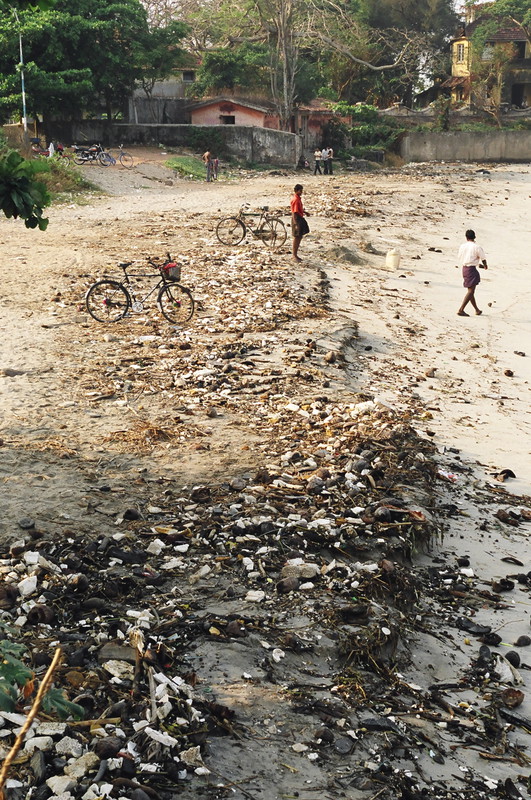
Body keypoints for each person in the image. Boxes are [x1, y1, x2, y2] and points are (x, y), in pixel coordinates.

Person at [456, 229, 488, 316]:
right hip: (471, 269)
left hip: (464, 268)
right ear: (474, 237)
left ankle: (477, 310)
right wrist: (485, 265)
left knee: (470, 290)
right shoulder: (477, 247)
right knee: (471, 291)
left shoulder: (462, 246)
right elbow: (483, 258)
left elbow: (459, 256)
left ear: (466, 237)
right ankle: (461, 309)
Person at [291, 184, 310, 262]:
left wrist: (305, 212)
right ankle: (294, 255)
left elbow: (298, 209)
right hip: (297, 219)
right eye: (300, 190)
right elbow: (294, 212)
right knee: (297, 237)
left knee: (299, 236)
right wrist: (295, 224)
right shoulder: (296, 199)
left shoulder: (298, 198)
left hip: (299, 218)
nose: (301, 192)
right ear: (297, 191)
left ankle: (295, 254)